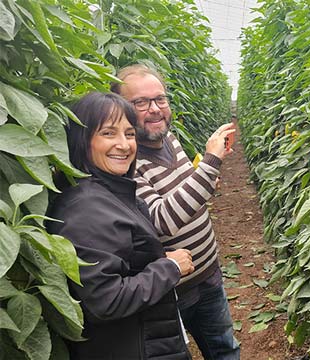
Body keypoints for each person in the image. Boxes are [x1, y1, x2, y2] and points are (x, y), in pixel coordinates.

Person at [47, 92, 194, 359]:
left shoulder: (109, 192)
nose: (124, 145)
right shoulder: (85, 208)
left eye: (129, 134)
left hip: (145, 338)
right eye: (108, 133)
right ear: (82, 140)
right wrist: (169, 267)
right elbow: (106, 300)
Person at [111, 64, 240, 360]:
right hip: (171, 292)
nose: (154, 109)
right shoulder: (125, 161)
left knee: (225, 349)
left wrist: (203, 178)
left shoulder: (168, 138)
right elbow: (161, 220)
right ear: (120, 110)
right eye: (140, 103)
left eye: (160, 99)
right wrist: (209, 164)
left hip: (208, 274)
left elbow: (180, 195)